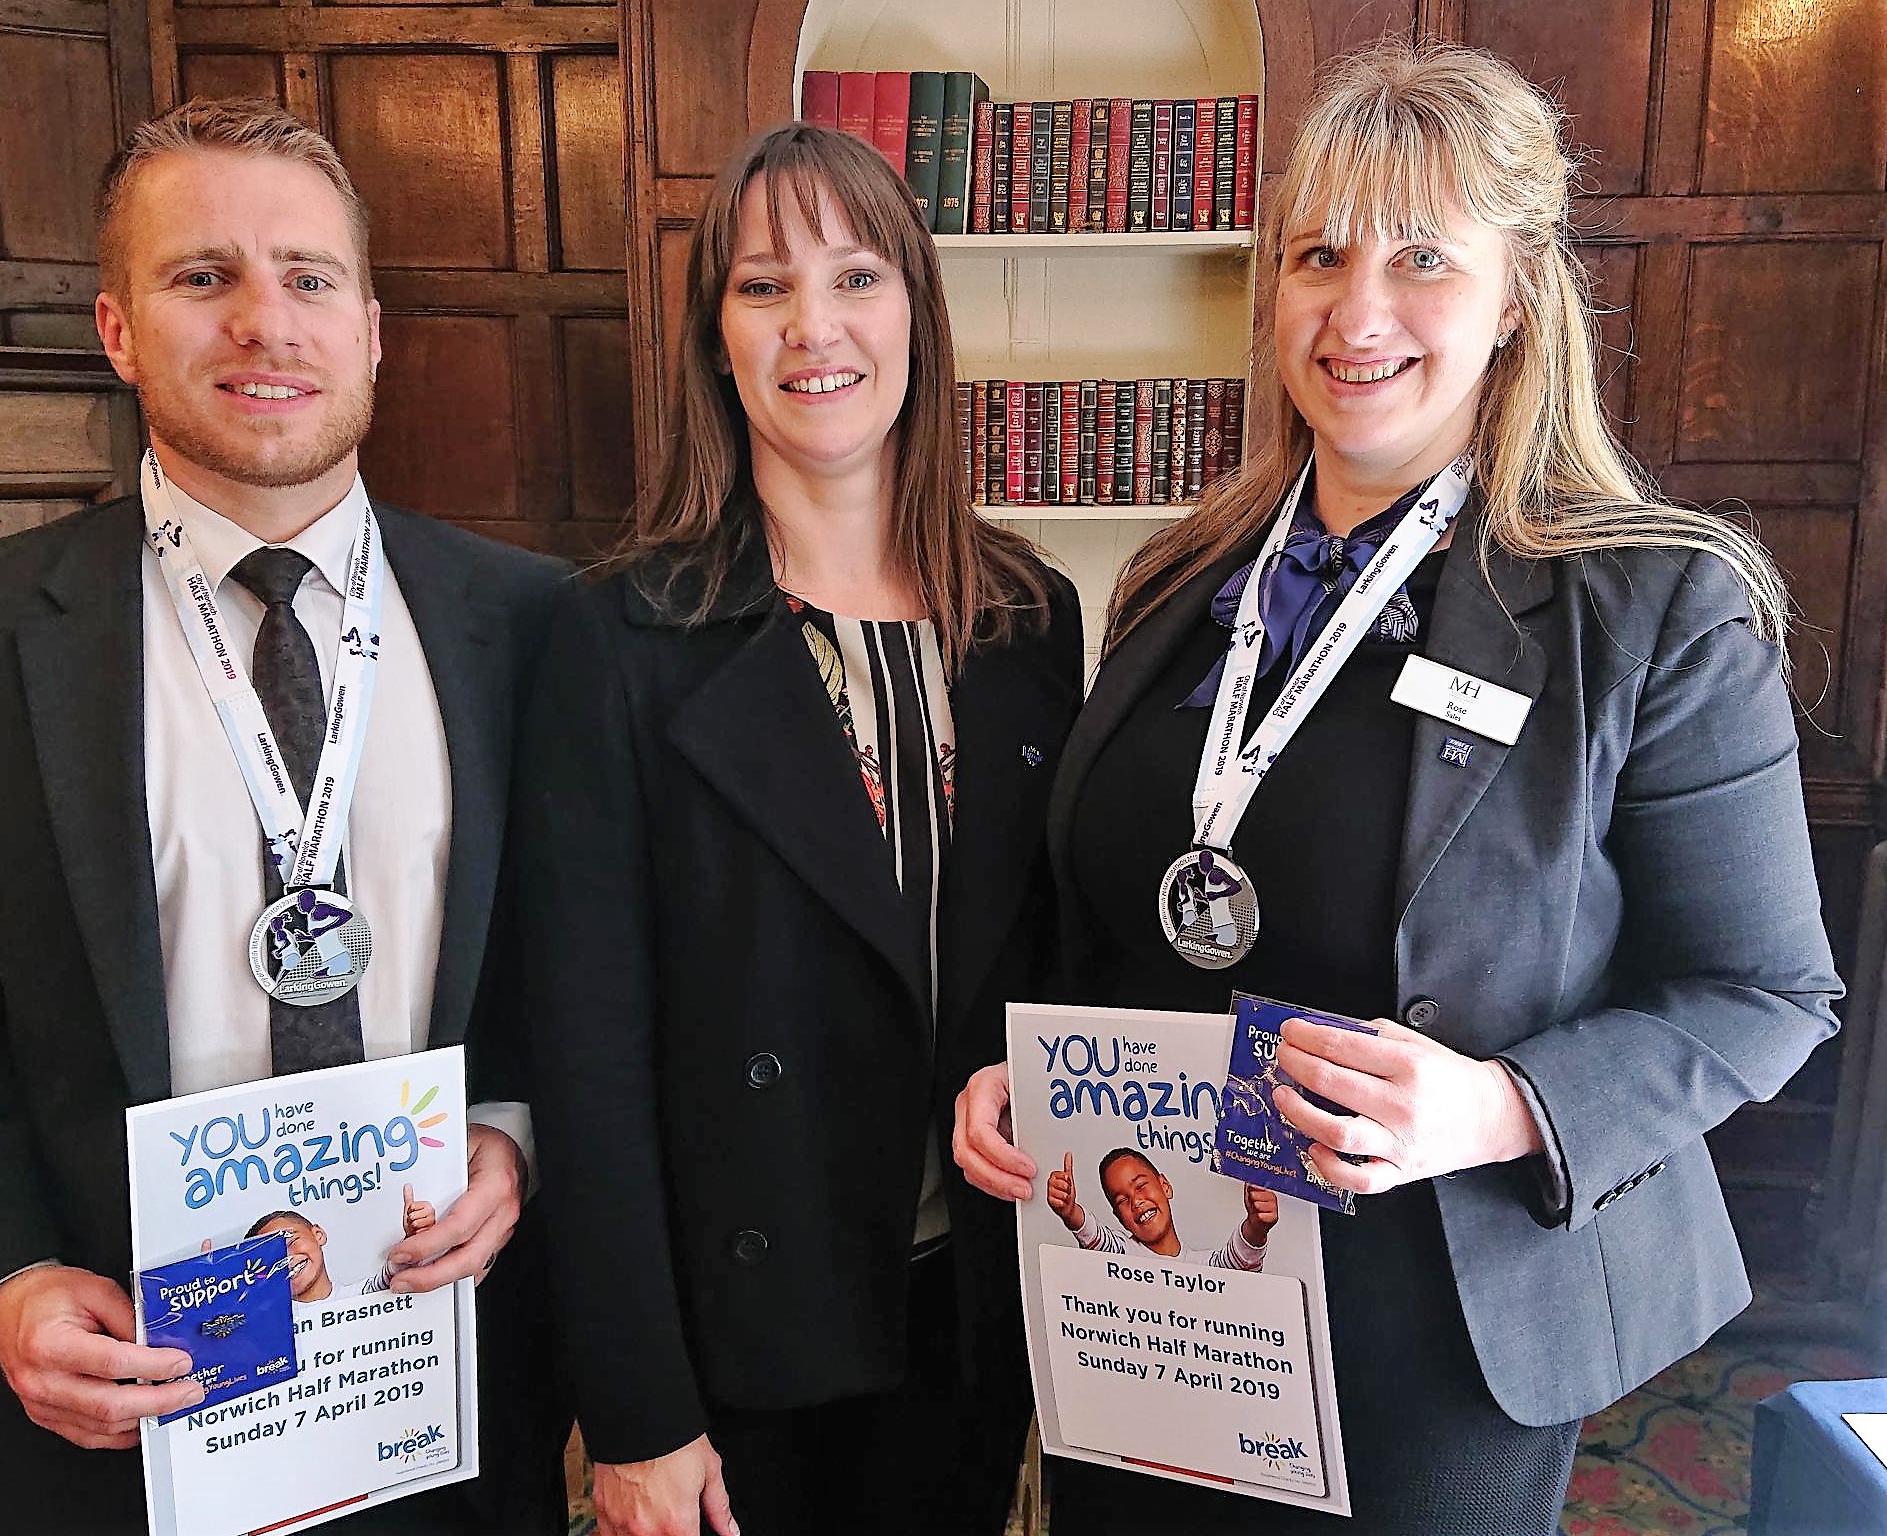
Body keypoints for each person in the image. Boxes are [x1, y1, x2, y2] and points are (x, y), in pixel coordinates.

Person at [953, 42, 1840, 1535]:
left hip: (1433, 1323)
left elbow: (1764, 991)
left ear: (1513, 299)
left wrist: (1504, 1105)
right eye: (1318, 255)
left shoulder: (1649, 607)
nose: (1355, 312)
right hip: (1162, 1290)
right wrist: (1024, 1078)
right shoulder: (1179, 582)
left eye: (1420, 257)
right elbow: (1111, 921)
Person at [0, 98, 568, 1536]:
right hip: (110, 1404)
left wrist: (514, 1133)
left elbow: (568, 960)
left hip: (432, 1385)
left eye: (306, 278)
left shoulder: (533, 624)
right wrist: (3, 1279)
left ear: (369, 327)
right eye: (200, 277)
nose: (262, 323)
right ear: (117, 330)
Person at [516, 123, 1082, 1536]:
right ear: (716, 336)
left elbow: (1039, 962)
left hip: (964, 1306)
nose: (812, 326)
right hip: (737, 1340)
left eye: (855, 277)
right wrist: (637, 1410)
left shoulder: (1025, 620)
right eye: (763, 287)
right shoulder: (615, 638)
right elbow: (584, 1061)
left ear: (915, 314)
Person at [1046, 1149, 1275, 1268]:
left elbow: (1238, 1264)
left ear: (1165, 1186)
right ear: (1119, 1217)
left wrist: (1257, 1226)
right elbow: (1094, 1236)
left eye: (1141, 1186)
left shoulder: (1204, 1266)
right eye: (1122, 1201)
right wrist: (1070, 1212)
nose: (1136, 1201)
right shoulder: (1122, 1255)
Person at [246, 1195, 433, 1302]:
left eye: (291, 1241)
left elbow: (396, 1275)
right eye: (270, 1256)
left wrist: (415, 1241)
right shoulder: (270, 1329)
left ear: (318, 1235)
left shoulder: (357, 1297)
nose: (286, 1258)